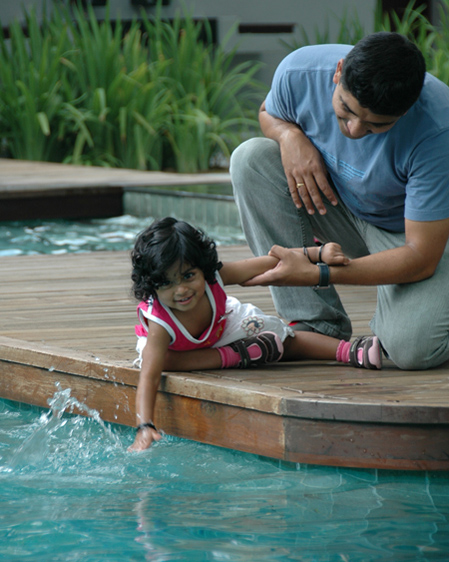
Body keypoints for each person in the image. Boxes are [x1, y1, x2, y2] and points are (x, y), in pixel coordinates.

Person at [230, 31, 449, 371]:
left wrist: (319, 273)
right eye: (346, 110)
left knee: (412, 349)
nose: (355, 130)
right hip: (343, 207)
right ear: (338, 71)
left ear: (406, 110)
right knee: (251, 158)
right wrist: (288, 135)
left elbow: (421, 257)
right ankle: (316, 325)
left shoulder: (438, 129)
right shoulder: (299, 72)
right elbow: (267, 112)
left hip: (414, 234)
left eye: (377, 125)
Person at [128, 217, 381, 452]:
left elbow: (266, 263)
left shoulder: (213, 278)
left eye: (188, 276)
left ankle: (349, 351)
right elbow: (149, 378)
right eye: (167, 283)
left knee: (285, 339)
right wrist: (144, 425)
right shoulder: (160, 325)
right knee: (162, 363)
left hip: (222, 324)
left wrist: (316, 253)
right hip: (176, 349)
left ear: (203, 268)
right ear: (151, 285)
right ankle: (234, 355)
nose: (181, 290)